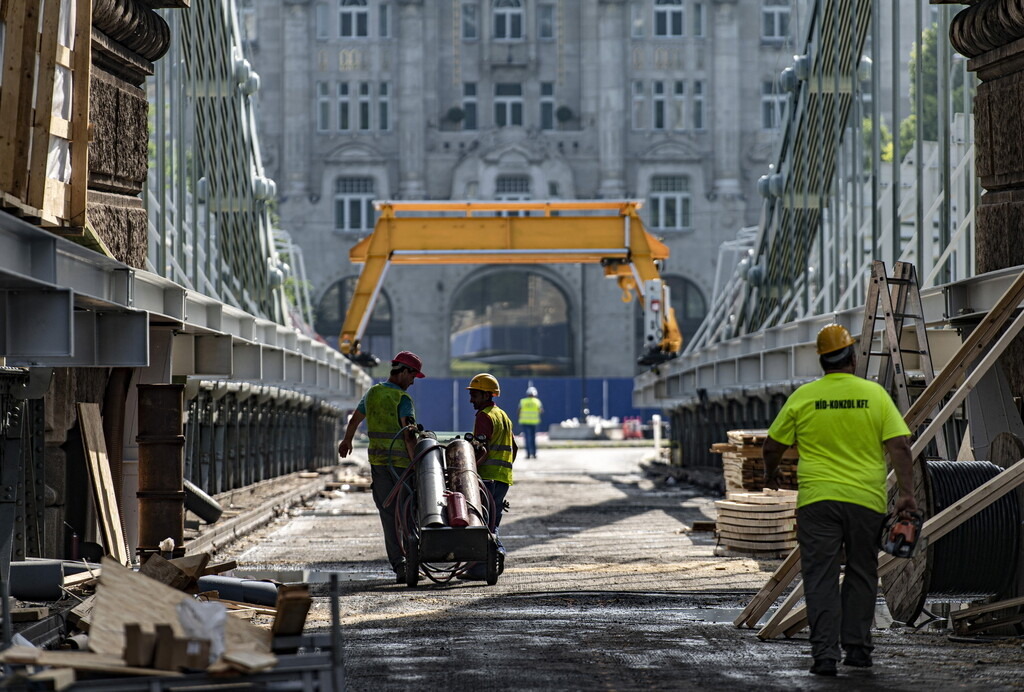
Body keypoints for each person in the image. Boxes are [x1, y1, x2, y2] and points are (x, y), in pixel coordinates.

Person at [762, 324, 918, 677]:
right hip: (866, 501)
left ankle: (824, 656)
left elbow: (772, 445)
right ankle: (859, 651)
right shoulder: (874, 395)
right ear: (852, 355)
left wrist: (770, 474)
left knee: (819, 576)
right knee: (863, 572)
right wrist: (906, 495)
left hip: (817, 502)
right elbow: (900, 446)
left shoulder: (804, 397)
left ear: (822, 360)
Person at [338, 351, 425, 582]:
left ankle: (400, 565)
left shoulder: (373, 393)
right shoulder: (403, 400)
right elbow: (409, 435)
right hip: (402, 468)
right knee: (408, 514)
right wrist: (416, 463)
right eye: (413, 375)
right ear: (404, 372)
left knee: (388, 516)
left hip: (378, 464)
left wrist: (347, 440)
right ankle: (413, 561)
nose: (413, 381)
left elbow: (355, 418)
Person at [461, 372, 518, 580]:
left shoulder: (484, 416)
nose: (471, 399)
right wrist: (506, 467)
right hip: (503, 478)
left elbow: (481, 450)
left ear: (486, 395)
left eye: (474, 395)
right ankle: (487, 562)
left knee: (480, 522)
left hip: (486, 478)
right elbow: (515, 447)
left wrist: (467, 471)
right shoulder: (503, 416)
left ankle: (491, 557)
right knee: (492, 521)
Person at [517, 386, 544, 459]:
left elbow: (519, 411)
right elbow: (541, 411)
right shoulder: (537, 401)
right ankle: (534, 454)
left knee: (527, 438)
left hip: (525, 422)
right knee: (533, 438)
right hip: (534, 423)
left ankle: (528, 454)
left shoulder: (523, 401)